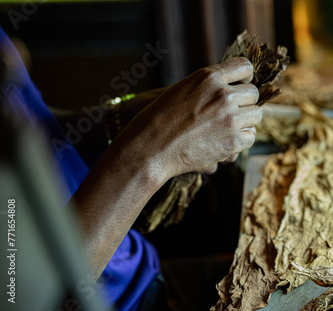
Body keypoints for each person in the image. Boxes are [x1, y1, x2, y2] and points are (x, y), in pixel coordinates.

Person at [0, 26, 262, 310]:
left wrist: (137, 116)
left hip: (139, 269)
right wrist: (153, 146)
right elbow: (27, 298)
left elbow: (34, 126)